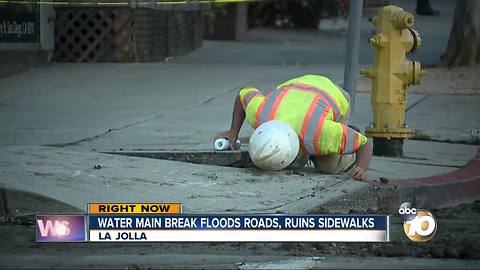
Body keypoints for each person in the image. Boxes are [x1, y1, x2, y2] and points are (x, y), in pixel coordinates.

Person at [215, 74, 373, 181]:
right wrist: (233, 132)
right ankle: (315, 151)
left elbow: (366, 143)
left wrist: (361, 168)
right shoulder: (260, 114)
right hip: (296, 85)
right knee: (289, 160)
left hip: (334, 95)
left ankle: (349, 137)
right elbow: (244, 93)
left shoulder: (320, 133)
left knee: (328, 166)